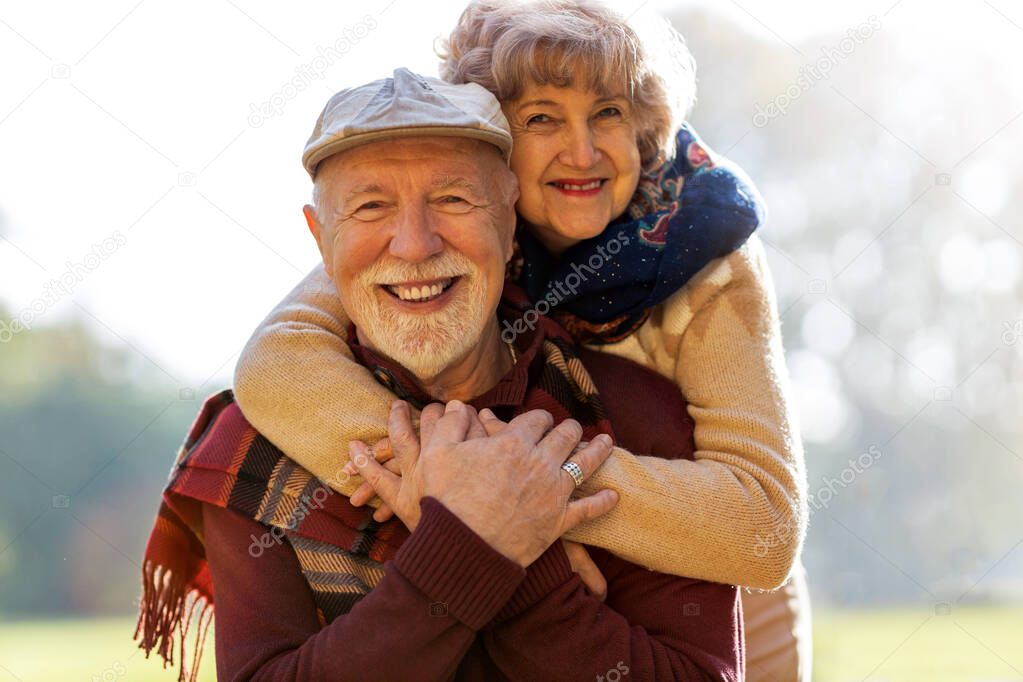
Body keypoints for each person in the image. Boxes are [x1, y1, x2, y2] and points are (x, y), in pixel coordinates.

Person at [234, 1, 810, 679]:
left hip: (715, 584)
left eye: (608, 114)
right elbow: (276, 366)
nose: (583, 151)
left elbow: (762, 529)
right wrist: (478, 509)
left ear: (645, 128)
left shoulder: (707, 246)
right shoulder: (445, 220)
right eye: (541, 118)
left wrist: (520, 493)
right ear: (491, 138)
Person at [136, 70, 745, 681]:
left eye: (453, 199)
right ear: (322, 241)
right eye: (371, 206)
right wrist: (484, 545)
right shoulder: (260, 439)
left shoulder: (637, 413)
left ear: (511, 225)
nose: (414, 245)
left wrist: (488, 543)